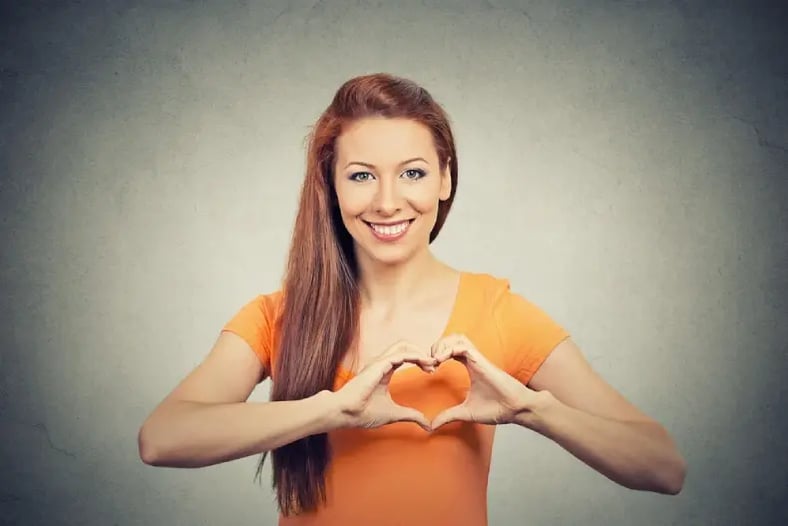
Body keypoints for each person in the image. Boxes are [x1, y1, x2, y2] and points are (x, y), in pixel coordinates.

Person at [137, 73, 686, 525]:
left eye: (413, 173)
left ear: (445, 179)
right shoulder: (275, 317)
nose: (387, 201)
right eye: (361, 176)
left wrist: (531, 409)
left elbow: (664, 467)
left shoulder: (498, 312)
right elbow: (162, 439)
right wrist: (331, 409)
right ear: (330, 187)